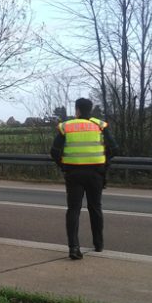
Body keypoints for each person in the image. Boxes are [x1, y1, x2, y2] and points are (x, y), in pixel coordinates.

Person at [50, 98, 118, 260]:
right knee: (95, 208)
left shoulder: (67, 126)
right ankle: (98, 244)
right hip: (96, 173)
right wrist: (103, 162)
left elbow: (54, 151)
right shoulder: (99, 125)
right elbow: (115, 149)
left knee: (73, 209)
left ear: (77, 110)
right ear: (90, 109)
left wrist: (63, 165)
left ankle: (74, 248)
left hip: (73, 173)